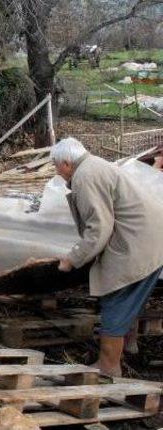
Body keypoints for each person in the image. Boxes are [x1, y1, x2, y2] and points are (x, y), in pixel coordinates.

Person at [51, 137, 163, 376]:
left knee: (115, 298)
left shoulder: (85, 177)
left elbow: (99, 228)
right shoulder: (96, 165)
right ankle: (129, 345)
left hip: (137, 243)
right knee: (131, 298)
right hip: (152, 240)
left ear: (67, 163)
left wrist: (72, 259)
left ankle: (109, 366)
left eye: (56, 166)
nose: (56, 171)